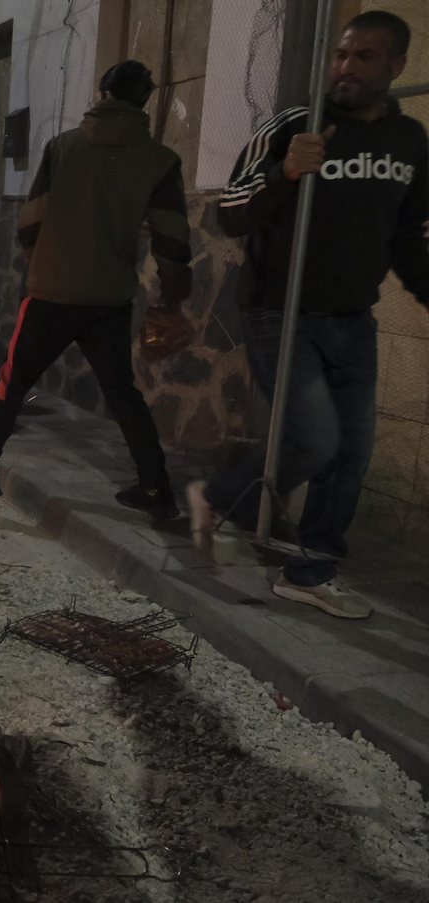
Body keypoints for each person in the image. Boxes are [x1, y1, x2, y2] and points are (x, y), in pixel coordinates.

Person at [189, 12, 428, 619]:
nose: (346, 67)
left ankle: (310, 569)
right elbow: (230, 212)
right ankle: (220, 497)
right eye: (341, 54)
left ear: (396, 66)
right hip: (282, 311)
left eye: (365, 57)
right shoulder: (296, 126)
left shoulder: (410, 144)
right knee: (316, 441)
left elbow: (406, 236)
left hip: (353, 318)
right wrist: (285, 173)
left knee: (352, 451)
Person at [0, 61, 191, 516]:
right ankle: (157, 488)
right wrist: (172, 299)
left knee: (12, 384)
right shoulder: (161, 161)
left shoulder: (64, 147)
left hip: (51, 292)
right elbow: (173, 239)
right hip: (110, 299)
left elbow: (31, 220)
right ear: (145, 100)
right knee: (122, 391)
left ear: (102, 92)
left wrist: (41, 259)